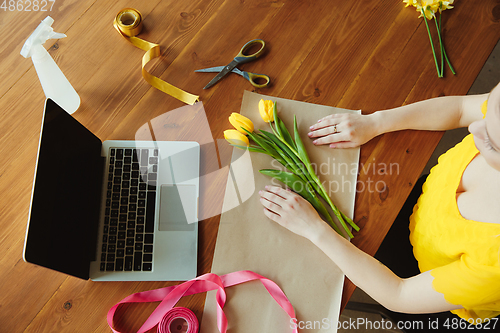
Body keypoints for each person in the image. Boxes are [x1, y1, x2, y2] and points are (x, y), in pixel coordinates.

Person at [258, 82, 500, 327]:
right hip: (420, 205)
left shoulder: (495, 265)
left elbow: (399, 294)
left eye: (491, 143)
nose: (473, 127)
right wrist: (376, 123)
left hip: (415, 276)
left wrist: (314, 228)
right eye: (489, 108)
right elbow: (460, 108)